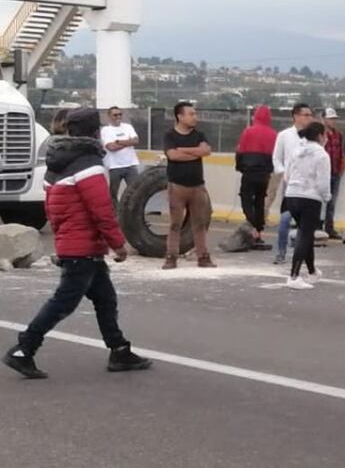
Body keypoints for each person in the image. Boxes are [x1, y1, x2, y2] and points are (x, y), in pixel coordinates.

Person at [4, 107, 152, 379]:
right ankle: (24, 348)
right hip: (83, 247)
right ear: (96, 132)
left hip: (75, 243)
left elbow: (52, 208)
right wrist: (118, 243)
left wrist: (63, 237)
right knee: (64, 302)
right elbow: (101, 210)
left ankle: (119, 349)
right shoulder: (89, 166)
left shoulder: (56, 163)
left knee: (105, 298)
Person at [163, 102, 215, 270]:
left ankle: (203, 256)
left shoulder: (200, 134)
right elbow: (173, 155)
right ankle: (171, 257)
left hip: (197, 186)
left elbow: (206, 151)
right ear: (180, 116)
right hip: (177, 186)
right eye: (191, 114)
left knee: (199, 224)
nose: (195, 117)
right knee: (175, 224)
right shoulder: (170, 135)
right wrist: (195, 152)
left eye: (195, 114)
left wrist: (184, 150)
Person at [283, 122, 332, 290]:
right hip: (310, 198)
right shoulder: (322, 155)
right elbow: (323, 183)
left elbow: (287, 175)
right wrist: (326, 197)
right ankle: (294, 275)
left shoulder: (297, 151)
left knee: (306, 233)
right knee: (305, 234)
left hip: (291, 195)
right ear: (320, 136)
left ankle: (312, 271)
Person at [271, 104, 315, 264]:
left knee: (306, 223)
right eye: (306, 115)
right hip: (290, 185)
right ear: (296, 116)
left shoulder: (313, 137)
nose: (309, 118)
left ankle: (303, 254)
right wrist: (283, 174)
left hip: (309, 185)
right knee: (285, 219)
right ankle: (281, 252)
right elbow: (276, 158)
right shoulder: (284, 136)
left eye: (311, 115)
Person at [234, 105, 276, 249]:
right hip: (264, 174)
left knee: (246, 198)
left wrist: (239, 167)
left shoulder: (248, 131)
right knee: (259, 202)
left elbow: (240, 151)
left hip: (249, 172)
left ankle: (252, 227)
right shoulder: (273, 134)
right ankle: (259, 231)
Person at [100, 106, 141, 203]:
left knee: (135, 190)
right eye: (115, 115)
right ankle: (115, 212)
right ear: (109, 116)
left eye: (120, 114)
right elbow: (111, 147)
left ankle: (131, 210)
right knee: (113, 192)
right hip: (115, 166)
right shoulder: (106, 130)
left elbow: (136, 141)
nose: (118, 116)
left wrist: (118, 141)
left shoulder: (128, 127)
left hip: (130, 164)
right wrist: (128, 142)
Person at [321, 107, 345, 240]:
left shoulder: (338, 134)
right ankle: (318, 226)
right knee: (320, 201)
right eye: (330, 119)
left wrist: (342, 166)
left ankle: (329, 227)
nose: (332, 121)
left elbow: (341, 151)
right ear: (324, 119)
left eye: (334, 119)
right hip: (323, 173)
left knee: (331, 202)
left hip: (335, 171)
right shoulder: (320, 134)